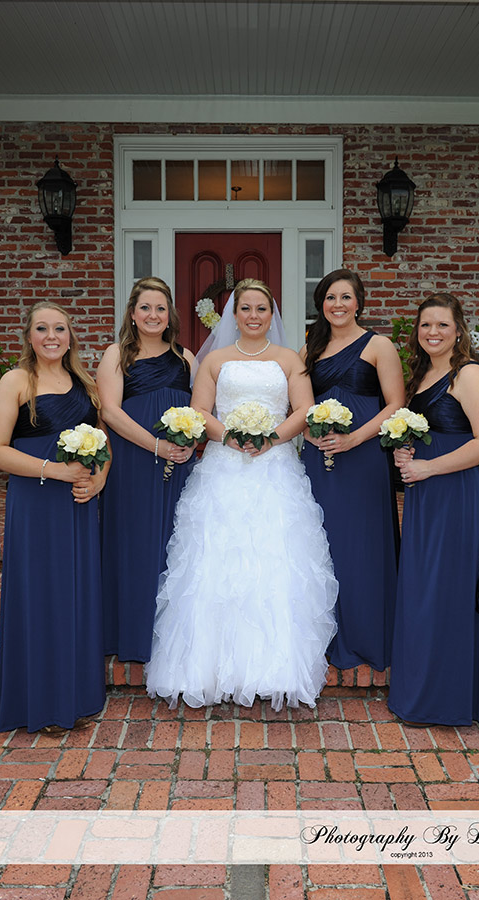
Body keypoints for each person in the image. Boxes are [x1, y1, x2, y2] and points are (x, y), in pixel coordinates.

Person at [144, 278, 338, 711]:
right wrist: (229, 436)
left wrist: (272, 438)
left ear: (272, 315)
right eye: (246, 308)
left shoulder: (289, 359)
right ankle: (206, 668)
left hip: (275, 467)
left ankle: (276, 669)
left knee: (275, 557)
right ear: (234, 314)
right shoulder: (215, 360)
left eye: (261, 309)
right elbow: (200, 410)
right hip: (224, 465)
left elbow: (304, 409)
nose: (253, 316)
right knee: (216, 558)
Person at [0, 302, 108, 733]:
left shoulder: (85, 383)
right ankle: (43, 705)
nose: (51, 336)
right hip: (35, 504)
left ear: (70, 337)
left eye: (59, 328)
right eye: (42, 328)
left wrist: (98, 481)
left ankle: (76, 698)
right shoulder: (17, 381)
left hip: (77, 505)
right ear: (29, 337)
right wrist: (54, 470)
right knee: (42, 596)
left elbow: (103, 443)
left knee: (76, 595)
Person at [388, 293, 479, 727]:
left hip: (456, 493)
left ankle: (450, 700)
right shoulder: (422, 374)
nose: (432, 332)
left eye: (442, 324)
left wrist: (428, 466)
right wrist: (405, 452)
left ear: (459, 330)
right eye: (425, 325)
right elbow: (426, 432)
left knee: (449, 589)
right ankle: (422, 694)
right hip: (426, 495)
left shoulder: (468, 374)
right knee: (424, 589)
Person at [301, 269, 404, 672]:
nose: (338, 304)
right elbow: (299, 405)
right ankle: (326, 638)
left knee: (363, 543)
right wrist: (310, 435)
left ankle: (366, 635)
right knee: (322, 542)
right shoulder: (310, 348)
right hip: (321, 457)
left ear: (359, 302)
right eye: (330, 297)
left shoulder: (379, 345)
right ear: (321, 304)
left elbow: (395, 404)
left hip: (363, 456)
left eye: (345, 297)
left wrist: (354, 439)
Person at [97, 277, 195, 663]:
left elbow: (201, 411)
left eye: (160, 308)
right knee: (134, 541)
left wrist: (189, 444)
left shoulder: (186, 358)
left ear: (170, 315)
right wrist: (156, 446)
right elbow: (110, 412)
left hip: (179, 465)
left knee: (176, 543)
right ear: (133, 314)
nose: (153, 315)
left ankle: (169, 638)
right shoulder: (117, 354)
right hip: (134, 462)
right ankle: (130, 634)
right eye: (145, 308)